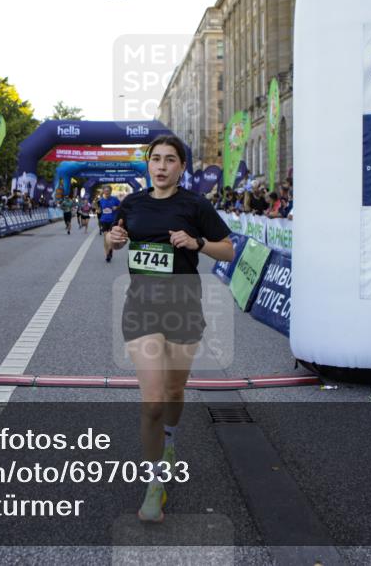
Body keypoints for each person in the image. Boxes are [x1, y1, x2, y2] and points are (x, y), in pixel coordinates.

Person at [106, 135, 234, 523]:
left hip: (182, 309)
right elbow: (111, 241)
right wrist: (111, 240)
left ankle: (171, 440)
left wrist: (196, 243)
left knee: (176, 390)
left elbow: (227, 248)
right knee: (154, 400)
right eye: (155, 159)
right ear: (148, 164)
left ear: (181, 167)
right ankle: (154, 484)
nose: (161, 166)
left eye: (170, 160)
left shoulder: (195, 205)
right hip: (140, 309)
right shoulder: (132, 203)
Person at [97, 185, 121, 261]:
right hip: (104, 220)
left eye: (108, 191)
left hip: (113, 221)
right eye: (105, 190)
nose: (107, 192)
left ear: (110, 191)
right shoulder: (100, 201)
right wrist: (99, 210)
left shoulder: (115, 199)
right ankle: (107, 254)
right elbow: (99, 210)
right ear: (103, 191)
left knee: (110, 237)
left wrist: (116, 207)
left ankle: (110, 249)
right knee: (105, 237)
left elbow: (122, 206)